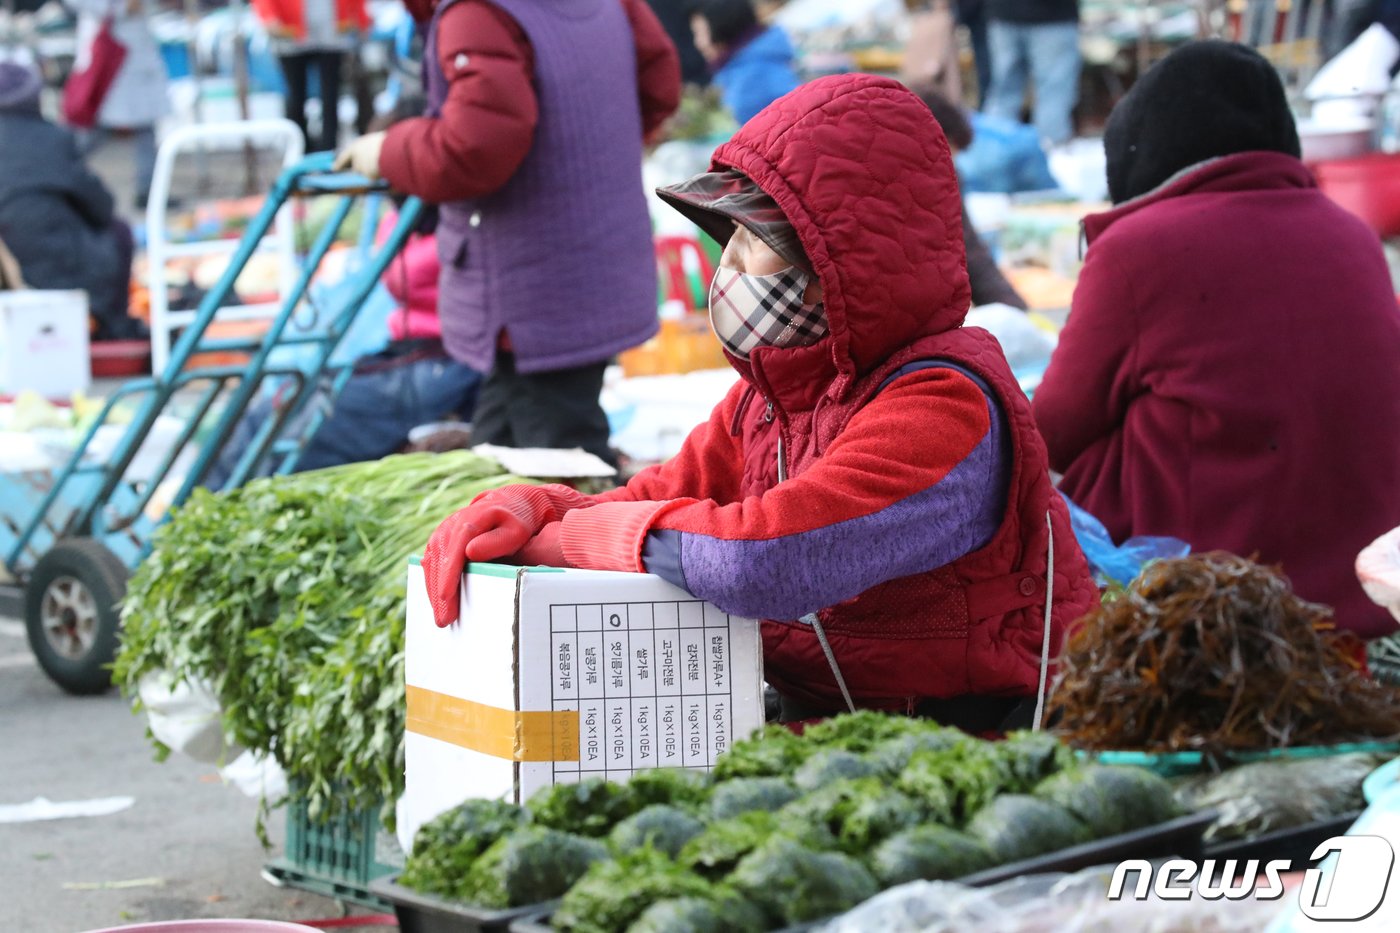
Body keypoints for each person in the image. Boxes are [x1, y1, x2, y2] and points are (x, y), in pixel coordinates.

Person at [422, 74, 1096, 731]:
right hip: (847, 734)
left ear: (829, 270)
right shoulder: (771, 400)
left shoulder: (944, 406)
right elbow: (660, 493)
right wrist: (546, 507)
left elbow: (766, 560)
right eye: (730, 241)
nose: (729, 267)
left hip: (985, 743)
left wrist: (567, 539)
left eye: (752, 243)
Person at [1032, 41, 1400, 639]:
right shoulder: (1353, 235)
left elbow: (1051, 432)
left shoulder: (1140, 248)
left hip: (1215, 603)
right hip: (1365, 594)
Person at [334, 0, 680, 466]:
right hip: (587, 266)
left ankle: (594, 535)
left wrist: (388, 150)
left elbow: (474, 148)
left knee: (559, 466)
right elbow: (658, 83)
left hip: (532, 289)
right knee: (505, 449)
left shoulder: (477, 13)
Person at [0, 59, 145, 340]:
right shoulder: (52, 138)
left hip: (13, 262)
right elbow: (101, 207)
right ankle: (113, 323)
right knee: (119, 232)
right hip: (52, 262)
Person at [916, 87, 1027, 310]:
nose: (952, 163)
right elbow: (971, 254)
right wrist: (1018, 313)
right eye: (949, 151)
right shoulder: (930, 180)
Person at [68, 0, 169, 207]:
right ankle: (57, 162)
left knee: (145, 127)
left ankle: (148, 190)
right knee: (98, 128)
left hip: (134, 55)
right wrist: (119, 7)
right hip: (112, 56)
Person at [252, 0, 369, 153]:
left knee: (331, 97)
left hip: (331, 33)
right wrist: (268, 17)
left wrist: (361, 19)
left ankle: (329, 150)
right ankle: (300, 149)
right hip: (289, 32)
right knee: (295, 97)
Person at [983, 0, 1079, 147]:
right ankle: (1049, 159)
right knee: (1052, 96)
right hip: (1052, 18)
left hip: (1004, 14)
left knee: (1004, 95)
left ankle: (992, 154)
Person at [691, 0, 799, 124]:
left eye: (700, 33)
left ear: (721, 27)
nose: (698, 43)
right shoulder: (750, 63)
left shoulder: (751, 85)